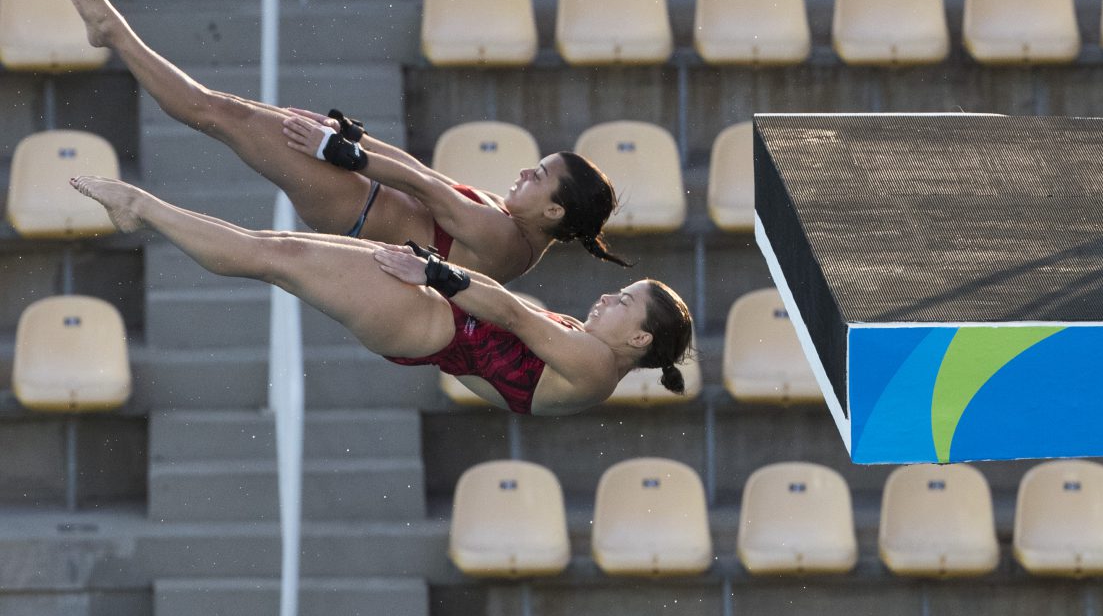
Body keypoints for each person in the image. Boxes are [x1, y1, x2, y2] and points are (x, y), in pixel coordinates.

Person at [64, 0, 629, 284]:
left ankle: (113, 36)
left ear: (554, 211)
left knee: (215, 113)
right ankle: (117, 46)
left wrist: (343, 152)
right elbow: (419, 174)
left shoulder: (508, 239)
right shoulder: (514, 231)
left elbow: (423, 187)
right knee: (225, 112)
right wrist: (347, 139)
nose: (527, 169)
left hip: (353, 207)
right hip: (361, 200)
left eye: (541, 175)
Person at [70, 176, 693, 415]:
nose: (608, 297)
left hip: (428, 323)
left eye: (623, 301)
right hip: (435, 317)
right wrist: (439, 279)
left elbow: (505, 311)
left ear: (639, 339)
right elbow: (501, 324)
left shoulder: (593, 364)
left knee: (274, 257)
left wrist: (436, 276)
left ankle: (142, 206)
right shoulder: (588, 353)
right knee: (275, 250)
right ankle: (145, 208)